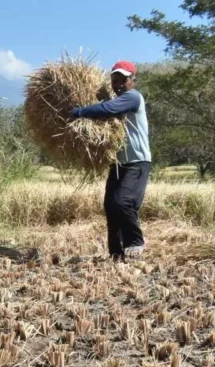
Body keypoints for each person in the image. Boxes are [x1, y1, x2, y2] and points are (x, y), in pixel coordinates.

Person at [70, 61, 152, 261]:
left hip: (137, 161)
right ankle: (116, 252)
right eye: (114, 81)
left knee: (123, 201)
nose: (118, 84)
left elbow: (108, 108)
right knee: (110, 205)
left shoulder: (132, 97)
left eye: (123, 80)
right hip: (118, 163)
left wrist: (78, 112)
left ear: (132, 79)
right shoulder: (121, 100)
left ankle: (135, 241)